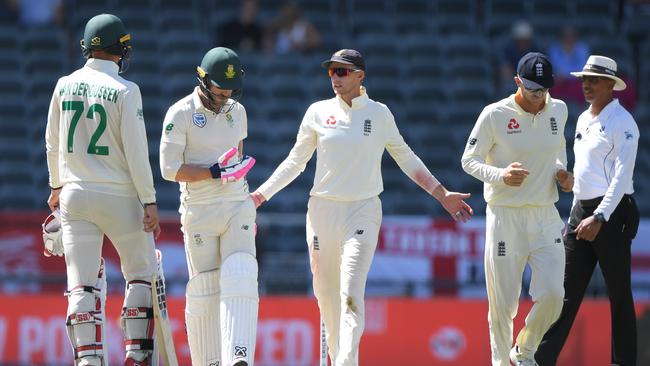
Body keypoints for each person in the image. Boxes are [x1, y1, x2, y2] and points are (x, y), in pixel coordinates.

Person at [250, 49, 473, 366]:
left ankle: (345, 362)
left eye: (342, 72)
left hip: (363, 211)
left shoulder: (379, 114)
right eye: (331, 72)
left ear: (360, 75)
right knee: (326, 297)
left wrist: (441, 194)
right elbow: (294, 163)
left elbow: (406, 157)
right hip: (322, 212)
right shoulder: (317, 112)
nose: (335, 78)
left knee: (351, 292)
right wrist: (259, 196)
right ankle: (337, 357)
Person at [45, 13, 161, 365]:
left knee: (81, 284)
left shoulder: (64, 83)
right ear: (118, 50)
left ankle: (88, 358)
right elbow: (137, 153)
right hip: (119, 195)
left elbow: (52, 143)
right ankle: (136, 354)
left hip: (75, 194)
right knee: (140, 273)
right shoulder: (127, 91)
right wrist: (150, 200)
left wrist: (55, 186)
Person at [461, 52, 572, 366]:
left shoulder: (559, 109)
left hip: (545, 215)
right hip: (505, 216)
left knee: (553, 296)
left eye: (543, 90)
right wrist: (500, 175)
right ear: (517, 82)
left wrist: (562, 173)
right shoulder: (494, 114)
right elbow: (468, 161)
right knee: (503, 304)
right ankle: (500, 362)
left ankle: (523, 352)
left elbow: (558, 151)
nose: (539, 97)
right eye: (532, 89)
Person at [536, 55, 640, 366]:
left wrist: (601, 216)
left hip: (613, 212)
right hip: (582, 211)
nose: (586, 85)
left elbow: (622, 177)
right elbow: (586, 172)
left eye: (593, 80)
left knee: (618, 294)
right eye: (584, 79)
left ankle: (623, 362)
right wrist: (570, 184)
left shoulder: (623, 123)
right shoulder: (582, 119)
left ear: (611, 85)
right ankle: (541, 359)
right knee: (562, 293)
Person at [159, 47, 258, 366]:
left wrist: (232, 171)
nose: (225, 96)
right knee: (206, 285)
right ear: (202, 80)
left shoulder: (237, 111)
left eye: (230, 90)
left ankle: (238, 357)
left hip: (235, 204)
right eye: (219, 89)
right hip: (199, 210)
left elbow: (236, 155)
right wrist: (212, 172)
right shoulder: (180, 113)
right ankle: (211, 361)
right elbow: (168, 169)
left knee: (241, 270)